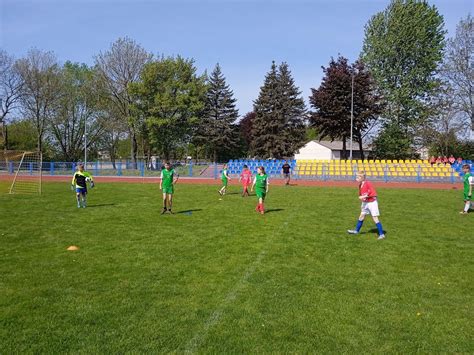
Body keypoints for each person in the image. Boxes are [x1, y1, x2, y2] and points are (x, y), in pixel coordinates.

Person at [347, 171, 386, 240]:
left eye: (358, 177)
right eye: (357, 176)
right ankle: (356, 231)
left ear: (362, 178)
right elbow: (361, 194)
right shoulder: (360, 185)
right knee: (361, 216)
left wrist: (364, 196)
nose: (357, 178)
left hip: (372, 203)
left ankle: (382, 234)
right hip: (365, 202)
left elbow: (373, 192)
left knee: (375, 218)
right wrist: (362, 197)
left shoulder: (368, 183)